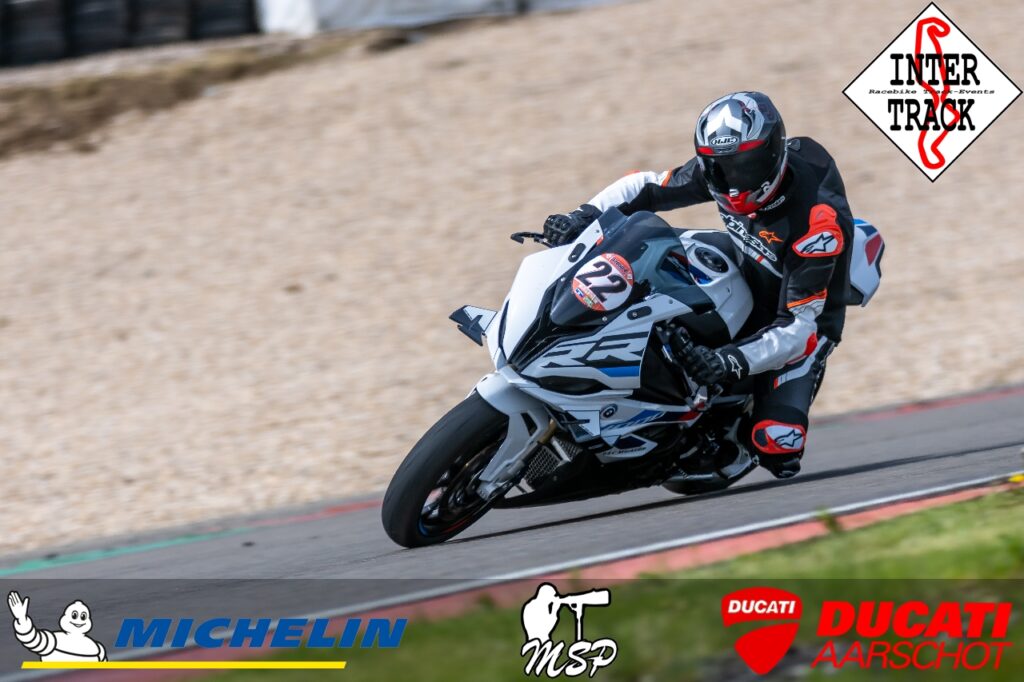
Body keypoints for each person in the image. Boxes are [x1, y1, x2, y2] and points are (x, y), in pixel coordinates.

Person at [542, 92, 853, 479]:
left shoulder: (815, 227)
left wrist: (727, 361)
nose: (733, 181)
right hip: (743, 264)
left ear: (774, 154)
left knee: (776, 444)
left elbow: (798, 329)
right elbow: (648, 186)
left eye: (746, 166)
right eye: (721, 166)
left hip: (800, 317)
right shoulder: (718, 171)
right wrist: (582, 216)